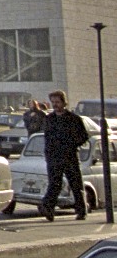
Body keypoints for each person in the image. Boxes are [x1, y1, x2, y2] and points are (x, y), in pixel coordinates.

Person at [39, 90, 90, 221]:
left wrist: (71, 144)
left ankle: (81, 210)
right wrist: (48, 154)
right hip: (54, 157)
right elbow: (47, 138)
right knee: (54, 184)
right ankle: (48, 209)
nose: (55, 105)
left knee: (76, 185)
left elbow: (83, 136)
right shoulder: (49, 119)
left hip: (70, 156)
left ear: (63, 102)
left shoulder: (74, 119)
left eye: (57, 102)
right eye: (53, 102)